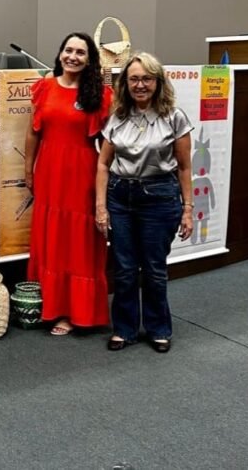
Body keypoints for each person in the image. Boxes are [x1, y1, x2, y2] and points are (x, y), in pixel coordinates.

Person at [95, 52, 194, 353]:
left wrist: (188, 210)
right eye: (134, 79)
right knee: (125, 269)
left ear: (158, 82)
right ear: (125, 83)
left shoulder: (174, 117)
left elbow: (184, 168)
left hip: (159, 199)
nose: (140, 85)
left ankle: (158, 329)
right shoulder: (117, 116)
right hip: (120, 198)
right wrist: (101, 207)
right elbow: (103, 164)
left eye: (147, 79)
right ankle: (124, 330)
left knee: (154, 269)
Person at [24, 32, 113, 336]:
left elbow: (110, 141)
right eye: (68, 50)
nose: (73, 57)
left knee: (79, 242)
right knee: (52, 238)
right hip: (49, 172)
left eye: (80, 52)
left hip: (82, 175)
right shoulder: (44, 87)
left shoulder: (101, 95)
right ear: (60, 53)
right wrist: (28, 170)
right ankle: (51, 306)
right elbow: (33, 132)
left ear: (90, 60)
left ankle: (75, 313)